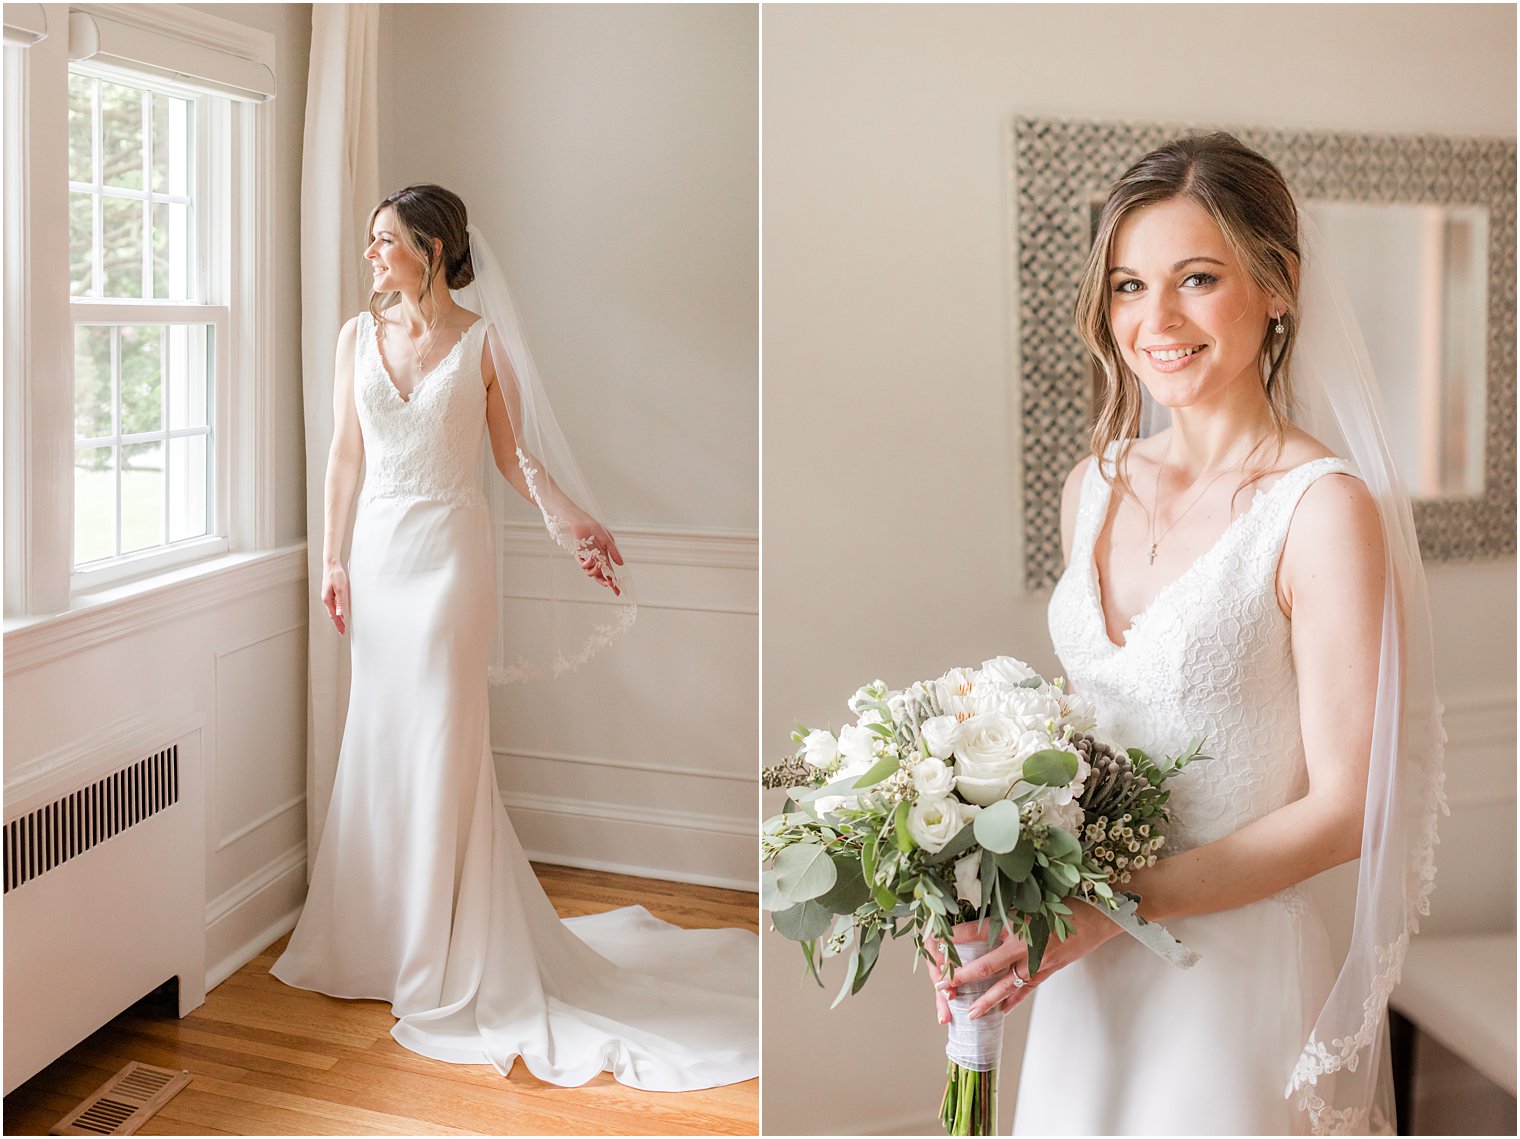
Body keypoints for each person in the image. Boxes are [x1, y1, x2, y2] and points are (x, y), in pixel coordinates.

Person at [927, 134, 1444, 1134]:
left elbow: (1345, 808)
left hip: (1225, 973)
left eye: (1194, 278)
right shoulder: (1092, 482)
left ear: (1276, 285)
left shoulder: (1320, 509)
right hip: (1075, 964)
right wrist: (980, 871)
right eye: (1126, 285)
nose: (1152, 320)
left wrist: (1113, 907)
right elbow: (1077, 741)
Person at [271, 184, 757, 1092]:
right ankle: (375, 938)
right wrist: (332, 559)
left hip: (452, 556)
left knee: (443, 742)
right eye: (372, 241)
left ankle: (440, 950)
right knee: (381, 735)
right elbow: (345, 453)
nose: (371, 254)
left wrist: (569, 517)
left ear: (428, 247)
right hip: (378, 556)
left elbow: (511, 453)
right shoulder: (355, 337)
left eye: (385, 241)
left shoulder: (482, 341)